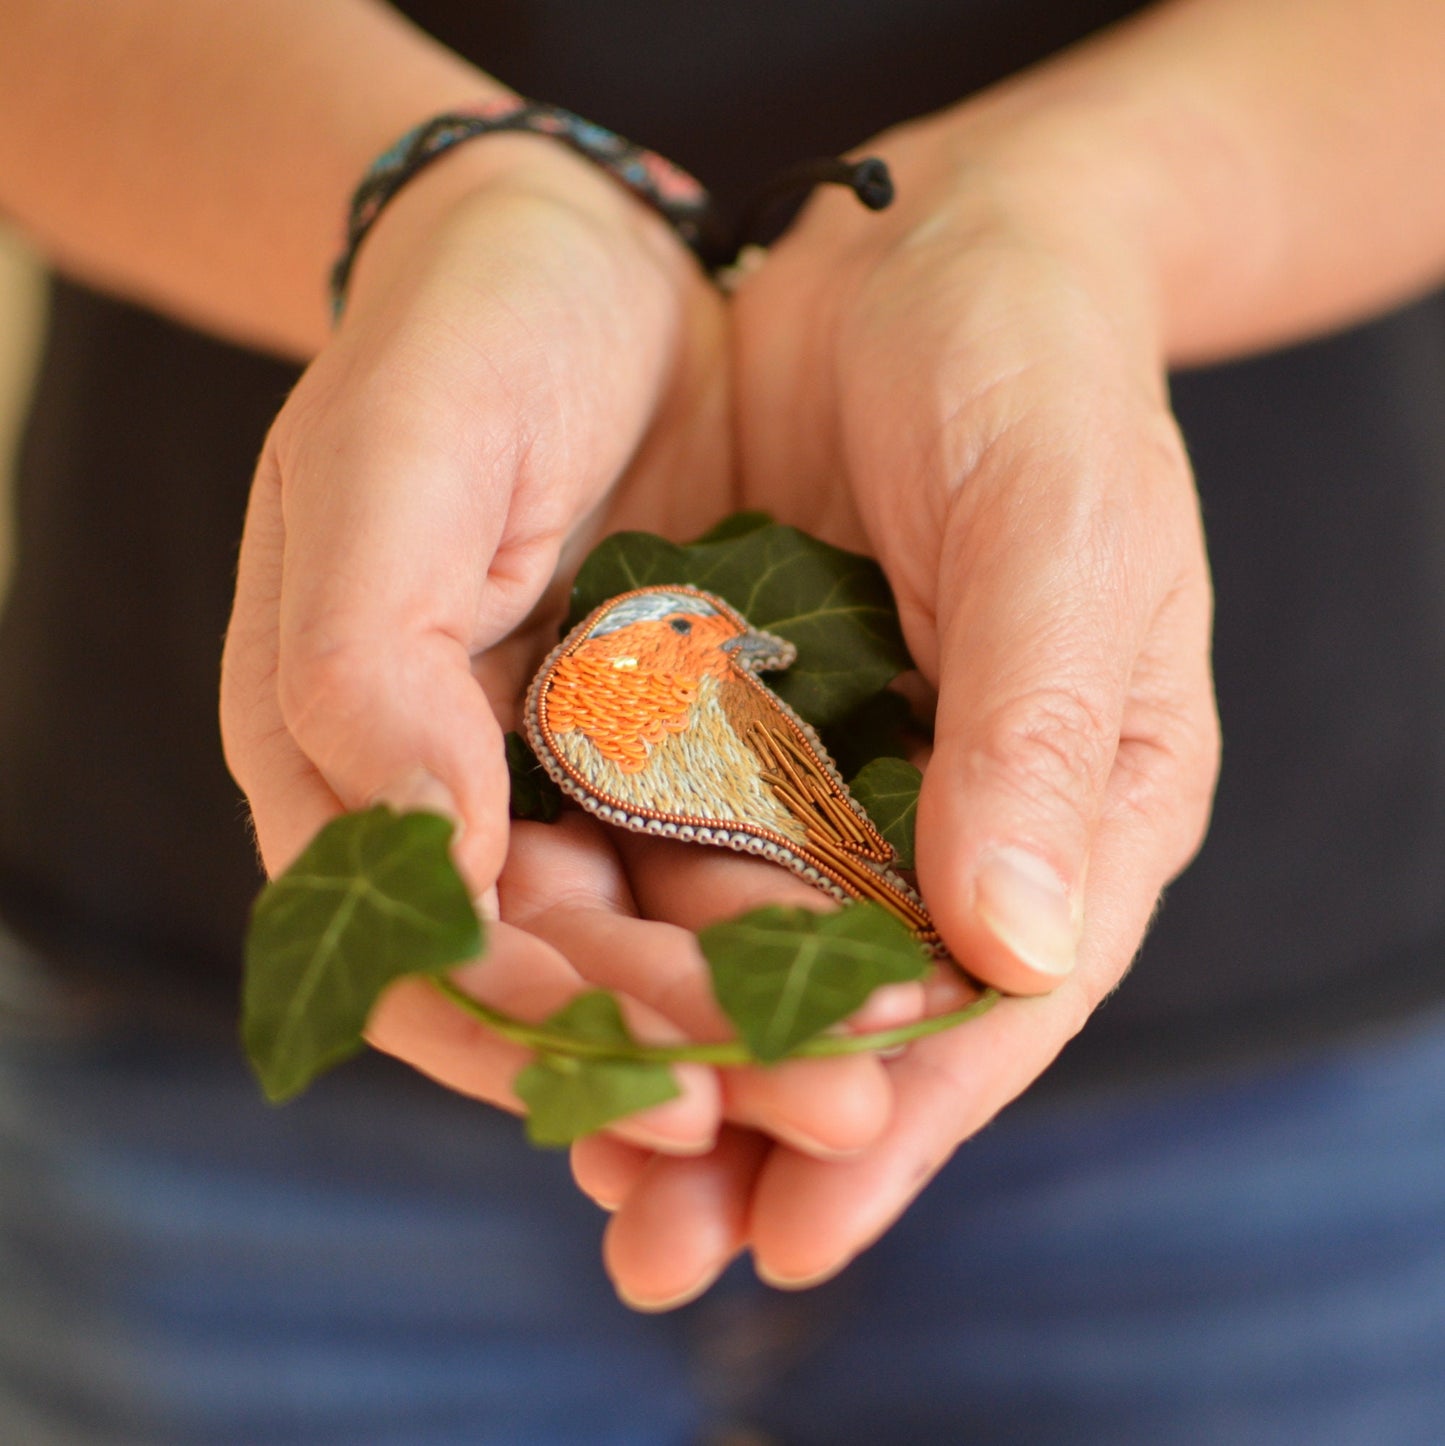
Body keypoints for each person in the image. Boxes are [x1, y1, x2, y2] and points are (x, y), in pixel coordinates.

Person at [1, 1, 1444, 1441]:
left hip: (1306, 1043)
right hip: (202, 1039)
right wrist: (446, 203)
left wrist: (1070, 216)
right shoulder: (628, 687)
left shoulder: (734, 699)